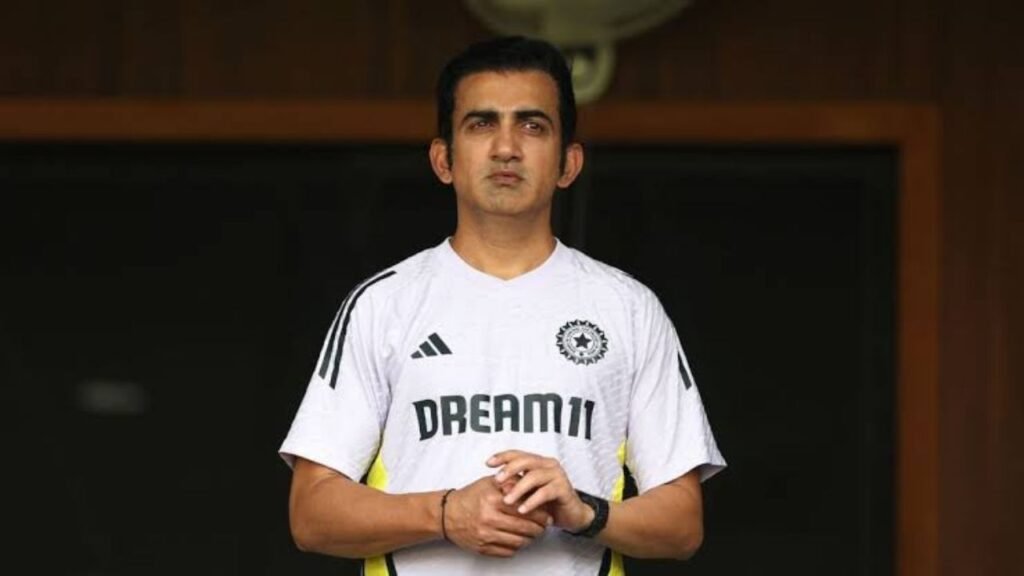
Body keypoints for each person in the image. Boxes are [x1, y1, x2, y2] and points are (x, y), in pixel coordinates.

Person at [279, 36, 726, 575]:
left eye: (533, 126)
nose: (506, 147)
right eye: (481, 124)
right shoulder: (383, 305)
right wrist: (446, 514)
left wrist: (585, 512)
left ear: (569, 163)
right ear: (443, 159)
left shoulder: (628, 308)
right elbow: (311, 514)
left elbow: (682, 526)